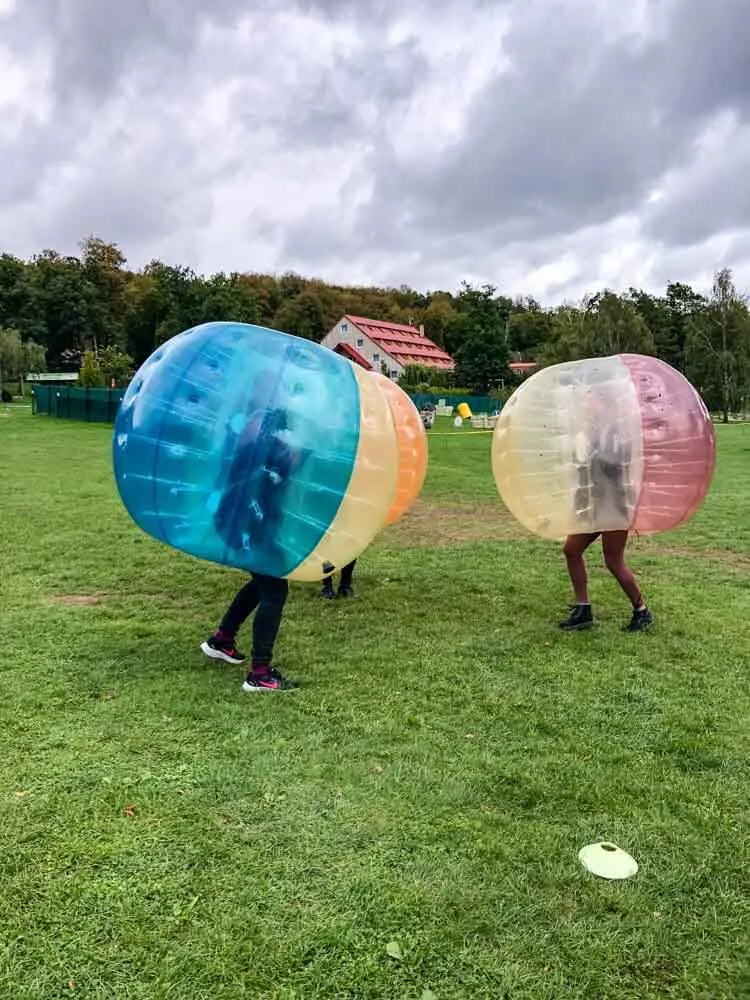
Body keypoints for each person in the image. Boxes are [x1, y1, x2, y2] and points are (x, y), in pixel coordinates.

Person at [201, 405, 302, 691]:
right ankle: (259, 674)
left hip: (236, 523)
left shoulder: (255, 446)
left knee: (262, 583)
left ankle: (222, 639)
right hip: (249, 527)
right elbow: (281, 474)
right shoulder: (276, 451)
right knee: (274, 589)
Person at [559, 399, 653, 633]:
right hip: (595, 504)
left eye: (593, 401)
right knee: (571, 550)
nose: (588, 405)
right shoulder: (592, 431)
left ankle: (642, 610)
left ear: (605, 405)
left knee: (613, 561)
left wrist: (591, 455)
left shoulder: (619, 432)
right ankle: (583, 610)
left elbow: (614, 466)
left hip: (615, 505)